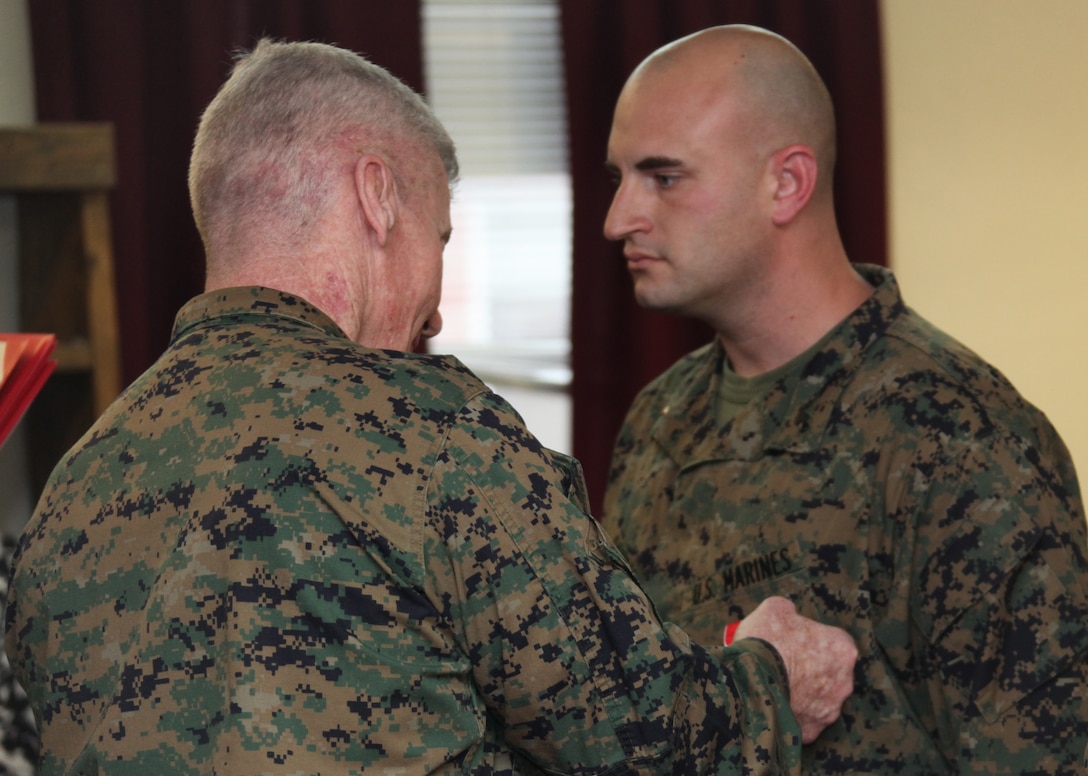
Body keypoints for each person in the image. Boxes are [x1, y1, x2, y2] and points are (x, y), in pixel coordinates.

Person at [5, 38, 857, 774]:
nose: (438, 311)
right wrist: (774, 679)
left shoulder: (75, 485)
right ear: (377, 197)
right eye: (441, 238)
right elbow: (636, 737)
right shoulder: (428, 430)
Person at [601, 23, 1088, 774]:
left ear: (787, 183)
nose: (619, 218)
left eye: (664, 177)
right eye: (620, 178)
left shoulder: (960, 434)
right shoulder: (660, 419)